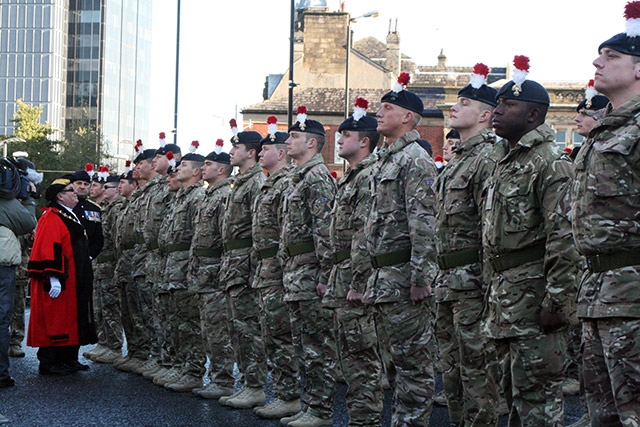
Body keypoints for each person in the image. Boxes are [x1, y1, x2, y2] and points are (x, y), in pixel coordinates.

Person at [483, 56, 580, 425]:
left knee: (538, 400)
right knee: (509, 396)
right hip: (503, 298)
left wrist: (556, 302)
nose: (498, 110)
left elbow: (564, 237)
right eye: (498, 103)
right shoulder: (502, 161)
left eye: (509, 104)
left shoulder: (549, 162)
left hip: (533, 299)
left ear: (533, 115)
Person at [572, 4, 640, 423]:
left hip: (632, 294)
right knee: (604, 414)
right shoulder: (606, 132)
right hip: (598, 291)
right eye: (599, 54)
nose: (598, 62)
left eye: (612, 56)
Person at [364, 73, 438, 426]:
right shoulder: (386, 159)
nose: (379, 113)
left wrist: (421, 278)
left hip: (405, 277)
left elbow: (423, 222)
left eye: (387, 108)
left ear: (407, 116)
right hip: (385, 277)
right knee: (394, 361)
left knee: (412, 365)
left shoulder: (414, 158)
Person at [434, 63, 501, 426]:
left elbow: (491, 229)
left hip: (473, 283)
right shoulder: (460, 159)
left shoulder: (488, 158)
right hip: (449, 282)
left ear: (485, 115)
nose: (453, 108)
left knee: (477, 374)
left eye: (463, 102)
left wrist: (487, 286)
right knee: (452, 373)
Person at [322, 98, 385, 426]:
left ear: (364, 141)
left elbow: (365, 234)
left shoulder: (368, 176)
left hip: (357, 278)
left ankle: (366, 422)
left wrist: (359, 284)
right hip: (344, 274)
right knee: (349, 357)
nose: (339, 140)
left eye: (346, 135)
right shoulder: (351, 177)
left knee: (362, 360)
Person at [279, 106, 337, 427]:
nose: (288, 141)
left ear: (312, 143)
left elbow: (326, 232)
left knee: (317, 345)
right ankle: (309, 404)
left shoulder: (317, 178)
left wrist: (326, 276)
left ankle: (320, 410)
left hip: (311, 272)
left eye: (295, 136)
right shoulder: (297, 176)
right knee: (302, 344)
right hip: (295, 271)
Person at [251, 120, 300, 419]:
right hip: (266, 268)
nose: (260, 152)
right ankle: (283, 393)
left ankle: (289, 395)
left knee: (282, 335)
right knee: (271, 333)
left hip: (281, 269)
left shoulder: (287, 183)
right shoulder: (269, 182)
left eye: (265, 148)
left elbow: (289, 231)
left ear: (281, 153)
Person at [27, 176, 98, 375]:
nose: (76, 193)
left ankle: (68, 358)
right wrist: (53, 276)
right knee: (56, 319)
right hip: (61, 278)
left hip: (75, 277)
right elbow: (50, 247)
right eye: (70, 191)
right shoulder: (51, 216)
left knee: (71, 318)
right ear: (60, 196)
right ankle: (50, 361)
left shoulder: (67, 214)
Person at [218, 128, 268, 409]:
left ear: (251, 152)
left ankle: (255, 386)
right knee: (238, 327)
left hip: (246, 264)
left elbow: (258, 229)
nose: (231, 151)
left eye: (236, 147)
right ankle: (247, 382)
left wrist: (252, 267)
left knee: (249, 328)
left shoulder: (255, 182)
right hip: (233, 264)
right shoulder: (240, 182)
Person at [189, 145, 235, 400]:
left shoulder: (224, 195)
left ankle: (223, 380)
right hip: (204, 271)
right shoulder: (209, 195)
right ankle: (217, 378)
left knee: (218, 330)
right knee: (209, 328)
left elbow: (226, 237)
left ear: (221, 169)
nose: (202, 169)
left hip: (216, 270)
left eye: (207, 165)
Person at [160, 145, 207, 392]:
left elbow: (197, 237)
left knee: (189, 323)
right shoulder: (182, 197)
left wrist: (192, 268)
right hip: (172, 267)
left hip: (184, 267)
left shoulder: (197, 197)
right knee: (176, 320)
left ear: (197, 172)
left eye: (184, 166)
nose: (178, 169)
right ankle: (181, 366)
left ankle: (194, 371)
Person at [0, 158, 37, 386]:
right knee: (2, 320)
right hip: (3, 265)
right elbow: (28, 222)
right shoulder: (7, 203)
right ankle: (1, 374)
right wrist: (29, 199)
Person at [9, 158, 42, 359]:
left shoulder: (27, 205)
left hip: (20, 262)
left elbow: (33, 233)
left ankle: (15, 341)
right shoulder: (8, 202)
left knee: (18, 305)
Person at [90, 174, 125, 364]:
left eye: (105, 187)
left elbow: (117, 240)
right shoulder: (103, 209)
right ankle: (104, 342)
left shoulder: (117, 209)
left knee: (111, 307)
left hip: (110, 264)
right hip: (100, 264)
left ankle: (114, 346)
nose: (103, 190)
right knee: (100, 306)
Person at [72, 167, 104, 260]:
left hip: (87, 258)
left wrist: (90, 256)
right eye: (79, 183)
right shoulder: (66, 205)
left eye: (86, 184)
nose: (82, 186)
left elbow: (98, 238)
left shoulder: (94, 209)